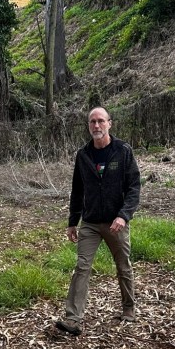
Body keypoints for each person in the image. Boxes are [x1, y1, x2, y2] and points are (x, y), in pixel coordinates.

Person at [55, 107, 141, 336]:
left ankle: (129, 308)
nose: (96, 126)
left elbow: (134, 187)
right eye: (92, 122)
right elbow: (77, 189)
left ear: (109, 124)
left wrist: (124, 215)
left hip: (116, 222)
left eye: (100, 121)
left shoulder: (123, 151)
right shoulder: (83, 155)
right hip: (90, 222)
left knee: (123, 266)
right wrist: (73, 221)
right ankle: (73, 319)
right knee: (82, 267)